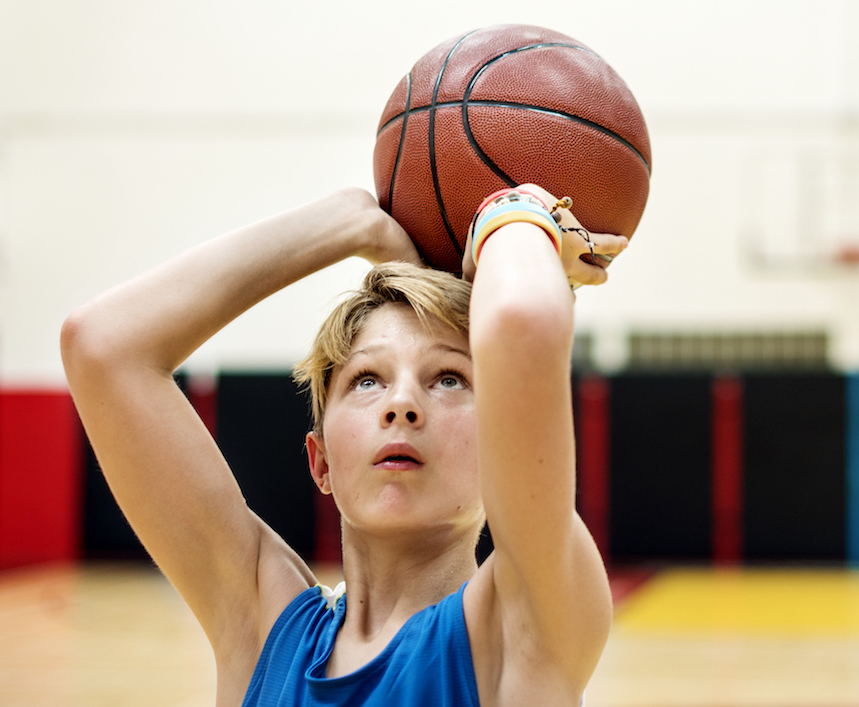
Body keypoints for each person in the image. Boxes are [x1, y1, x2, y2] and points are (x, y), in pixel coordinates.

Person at [60, 185, 624, 706]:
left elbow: (522, 323)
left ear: (498, 448)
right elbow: (102, 346)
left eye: (448, 378)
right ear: (321, 460)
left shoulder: (518, 624)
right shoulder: (264, 631)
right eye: (368, 379)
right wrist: (354, 222)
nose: (401, 404)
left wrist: (511, 215)